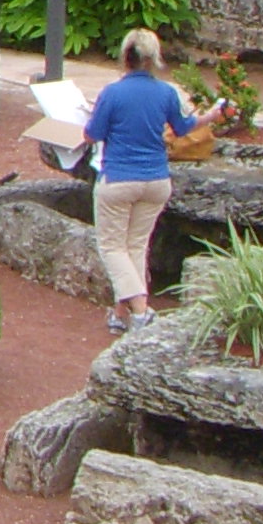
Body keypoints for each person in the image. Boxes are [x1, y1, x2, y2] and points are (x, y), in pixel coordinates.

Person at [83, 27, 197, 332]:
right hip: (156, 179)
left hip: (119, 177)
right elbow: (183, 127)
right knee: (135, 246)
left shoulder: (113, 93)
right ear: (153, 58)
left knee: (111, 247)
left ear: (125, 57)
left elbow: (92, 134)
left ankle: (141, 310)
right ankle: (121, 315)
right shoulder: (166, 92)